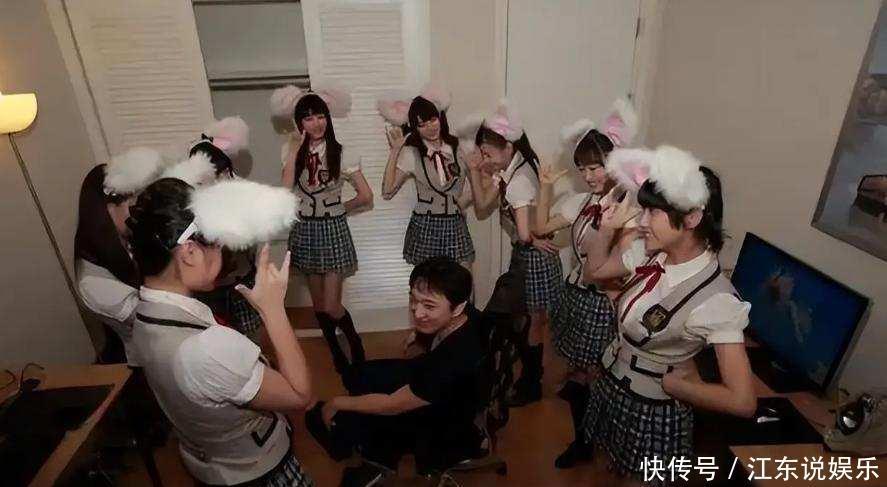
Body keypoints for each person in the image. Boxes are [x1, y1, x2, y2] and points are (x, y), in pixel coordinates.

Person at [580, 145, 757, 483]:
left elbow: (743, 401)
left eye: (653, 212)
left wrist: (676, 385)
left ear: (691, 218)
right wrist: (607, 228)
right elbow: (595, 271)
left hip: (652, 410)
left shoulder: (716, 302)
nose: (642, 222)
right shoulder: (652, 255)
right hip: (615, 386)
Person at [128, 177, 314, 486]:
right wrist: (273, 309)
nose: (223, 249)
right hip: (257, 471)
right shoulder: (207, 348)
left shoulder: (143, 316)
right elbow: (300, 396)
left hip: (206, 462)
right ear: (189, 252)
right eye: (216, 240)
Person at [305, 257, 486, 487]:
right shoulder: (468, 312)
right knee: (357, 375)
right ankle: (357, 439)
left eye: (429, 306)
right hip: (443, 385)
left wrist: (337, 403)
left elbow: (392, 404)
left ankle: (374, 458)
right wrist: (422, 332)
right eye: (414, 300)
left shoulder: (452, 359)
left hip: (441, 415)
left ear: (457, 307)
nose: (417, 312)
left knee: (325, 415)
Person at [534, 99, 639, 468]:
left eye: (596, 167)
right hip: (576, 296)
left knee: (598, 376)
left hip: (602, 302)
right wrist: (546, 188)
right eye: (583, 169)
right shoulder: (582, 201)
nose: (589, 176)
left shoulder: (628, 207)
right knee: (580, 371)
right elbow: (540, 228)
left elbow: (622, 267)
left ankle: (593, 441)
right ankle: (584, 438)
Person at [461, 100, 563, 406]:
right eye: (482, 154)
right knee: (527, 320)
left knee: (529, 321)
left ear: (508, 146)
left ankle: (530, 383)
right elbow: (482, 205)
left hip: (532, 258)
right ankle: (525, 375)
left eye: (488, 154)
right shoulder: (513, 167)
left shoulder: (517, 179)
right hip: (529, 254)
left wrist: (532, 238)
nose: (486, 159)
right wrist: (474, 170)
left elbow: (523, 232)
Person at [272, 85, 374, 376]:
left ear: (328, 118)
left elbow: (366, 195)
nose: (316, 123)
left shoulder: (341, 152)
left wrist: (340, 208)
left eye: (320, 116)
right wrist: (294, 150)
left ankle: (353, 341)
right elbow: (285, 189)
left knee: (331, 305)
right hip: (305, 229)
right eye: (308, 118)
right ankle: (334, 348)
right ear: (299, 123)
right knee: (318, 304)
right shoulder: (291, 151)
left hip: (331, 229)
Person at [75, 147, 166, 364]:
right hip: (148, 356)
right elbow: (156, 318)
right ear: (107, 208)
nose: (140, 212)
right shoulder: (94, 283)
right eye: (133, 204)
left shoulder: (127, 240)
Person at [378, 87, 475, 267]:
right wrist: (395, 151)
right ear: (415, 128)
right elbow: (387, 191)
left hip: (455, 223)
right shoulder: (412, 154)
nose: (430, 127)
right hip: (426, 224)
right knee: (428, 281)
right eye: (422, 125)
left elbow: (480, 182)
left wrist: (462, 202)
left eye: (432, 119)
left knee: (461, 278)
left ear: (440, 117)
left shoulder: (460, 147)